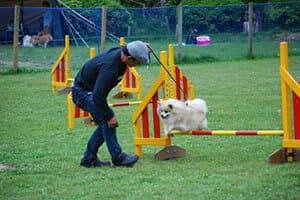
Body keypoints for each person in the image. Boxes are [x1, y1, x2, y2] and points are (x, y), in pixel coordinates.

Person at [72, 41, 150, 168]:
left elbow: (128, 46)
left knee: (105, 124)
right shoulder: (110, 68)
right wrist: (109, 115)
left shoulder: (122, 52)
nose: (136, 65)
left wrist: (141, 46)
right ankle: (117, 157)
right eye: (136, 62)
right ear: (129, 58)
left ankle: (89, 159)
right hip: (83, 93)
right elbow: (98, 96)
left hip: (89, 91)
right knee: (108, 121)